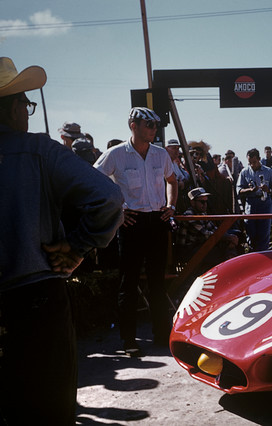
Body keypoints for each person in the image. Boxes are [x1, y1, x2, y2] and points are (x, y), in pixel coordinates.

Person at [0, 57, 123, 424]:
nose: (28, 112)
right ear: (12, 107)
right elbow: (109, 198)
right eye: (25, 103)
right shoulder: (38, 150)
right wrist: (78, 245)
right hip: (35, 299)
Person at [94, 106, 178, 356]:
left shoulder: (161, 155)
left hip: (156, 222)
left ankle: (162, 334)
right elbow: (94, 181)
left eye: (155, 126)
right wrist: (118, 210)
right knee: (128, 283)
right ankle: (129, 339)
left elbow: (172, 180)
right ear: (133, 125)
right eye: (148, 125)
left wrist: (171, 206)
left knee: (157, 283)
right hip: (131, 225)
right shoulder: (116, 154)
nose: (153, 130)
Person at [176, 187, 239, 272]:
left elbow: (214, 230)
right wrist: (228, 238)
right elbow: (206, 235)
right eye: (202, 202)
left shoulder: (202, 213)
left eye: (206, 202)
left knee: (235, 236)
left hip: (201, 246)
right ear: (192, 202)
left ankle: (232, 270)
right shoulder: (189, 215)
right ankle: (231, 271)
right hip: (189, 250)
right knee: (221, 252)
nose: (205, 204)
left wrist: (229, 238)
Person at [237, 148, 272, 251]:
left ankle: (263, 254)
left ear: (259, 159)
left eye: (254, 162)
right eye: (250, 163)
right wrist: (249, 190)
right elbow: (238, 190)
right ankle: (252, 252)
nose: (252, 165)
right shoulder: (245, 172)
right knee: (250, 230)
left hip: (264, 203)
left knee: (264, 232)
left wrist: (268, 190)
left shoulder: (268, 171)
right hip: (251, 204)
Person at [166, 139, 191, 213]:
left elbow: (184, 178)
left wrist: (181, 182)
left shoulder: (174, 163)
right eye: (174, 148)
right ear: (166, 149)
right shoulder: (164, 162)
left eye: (178, 148)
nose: (177, 151)